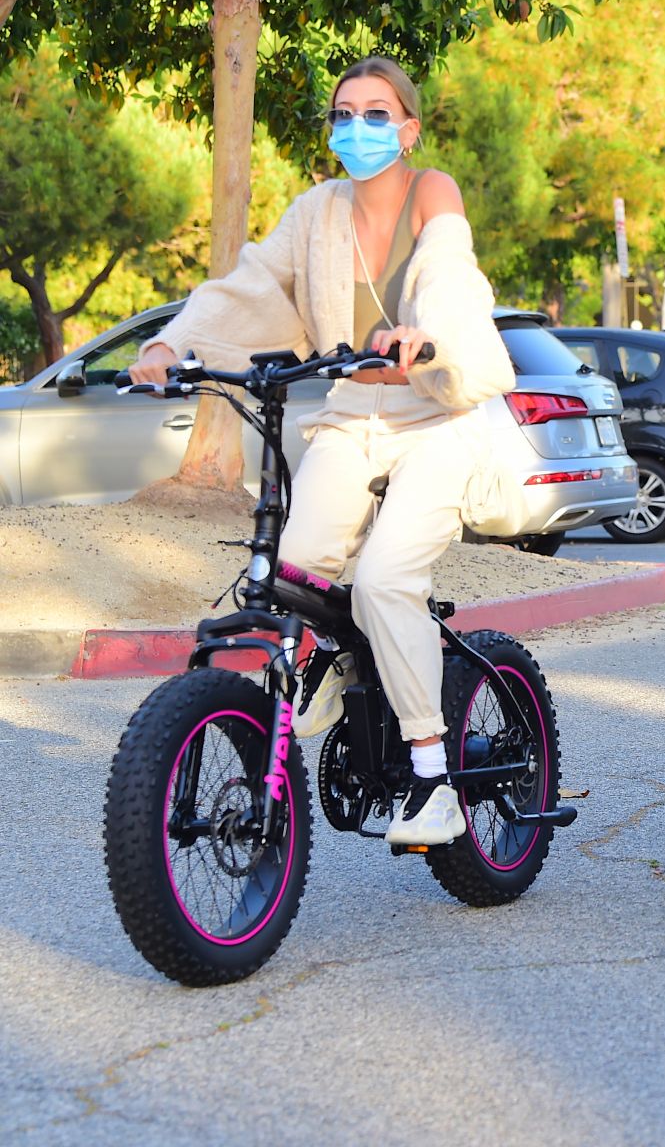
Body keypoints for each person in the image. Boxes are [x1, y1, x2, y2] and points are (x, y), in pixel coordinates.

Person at [130, 56, 516, 845]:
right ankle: (342, 664)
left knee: (381, 580)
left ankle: (434, 777)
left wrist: (427, 336)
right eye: (345, 113)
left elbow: (449, 273)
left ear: (407, 129)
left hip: (438, 413)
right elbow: (250, 286)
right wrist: (173, 347)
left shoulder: (430, 190)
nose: (359, 128)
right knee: (290, 571)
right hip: (354, 412)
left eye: (378, 114)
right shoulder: (317, 211)